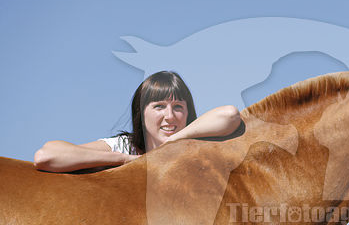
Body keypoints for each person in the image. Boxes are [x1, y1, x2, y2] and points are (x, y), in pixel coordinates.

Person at [34, 71, 241, 172]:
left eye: (178, 107)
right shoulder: (125, 146)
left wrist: (174, 140)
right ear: (141, 113)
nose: (170, 116)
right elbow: (47, 155)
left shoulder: (196, 144)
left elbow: (230, 114)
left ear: (188, 112)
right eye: (159, 106)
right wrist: (123, 160)